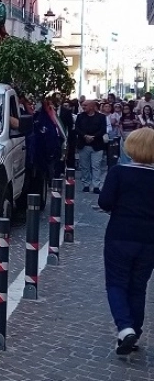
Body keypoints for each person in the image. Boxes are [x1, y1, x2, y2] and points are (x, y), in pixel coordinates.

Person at [98, 128, 154, 356]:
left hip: (120, 235)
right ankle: (135, 333)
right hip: (149, 238)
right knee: (138, 287)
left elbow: (105, 202)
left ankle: (125, 327)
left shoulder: (119, 172)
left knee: (116, 283)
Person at [75, 100, 107, 194]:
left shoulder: (101, 117)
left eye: (85, 105)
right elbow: (77, 128)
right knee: (85, 166)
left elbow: (103, 129)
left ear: (92, 106)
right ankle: (86, 184)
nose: (83, 106)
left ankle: (96, 186)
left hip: (97, 145)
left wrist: (94, 137)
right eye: (82, 105)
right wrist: (85, 136)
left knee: (96, 166)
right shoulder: (80, 116)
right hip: (83, 144)